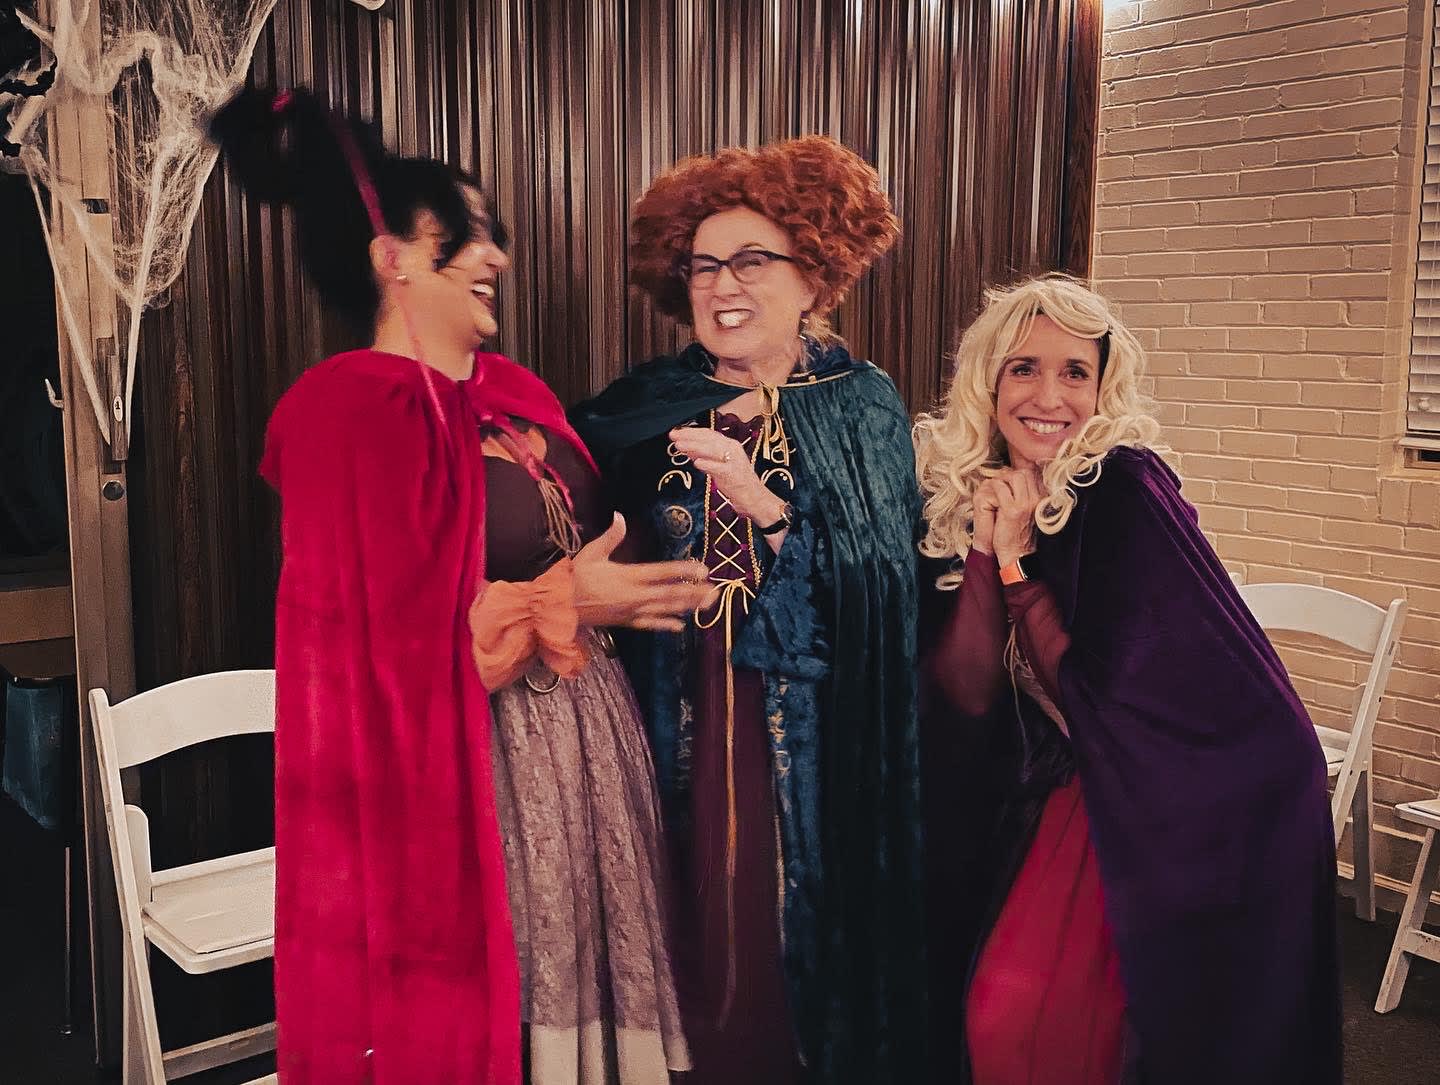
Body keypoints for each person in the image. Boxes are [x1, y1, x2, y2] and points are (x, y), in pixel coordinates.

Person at [209, 87, 710, 1084]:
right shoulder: (344, 417)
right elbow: (379, 668)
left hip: (587, 741)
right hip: (479, 777)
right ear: (393, 257)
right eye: (468, 236)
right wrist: (567, 603)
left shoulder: (514, 395)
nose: (496, 258)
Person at [913, 275, 1341, 1084]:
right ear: (989, 382)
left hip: (1171, 803)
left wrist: (1017, 566)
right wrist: (985, 544)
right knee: (995, 1016)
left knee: (1085, 1031)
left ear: (1102, 387)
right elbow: (966, 693)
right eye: (1024, 367)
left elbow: (1102, 705)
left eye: (1075, 371)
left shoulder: (1123, 487)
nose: (1049, 396)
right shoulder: (964, 490)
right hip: (1051, 789)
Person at [572, 135, 927, 1085]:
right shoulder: (638, 408)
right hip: (668, 704)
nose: (723, 285)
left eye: (753, 260)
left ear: (814, 276)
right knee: (680, 902)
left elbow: (887, 588)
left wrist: (767, 507)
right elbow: (563, 524)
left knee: (784, 912)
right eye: (703, 266)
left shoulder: (861, 406)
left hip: (813, 728)